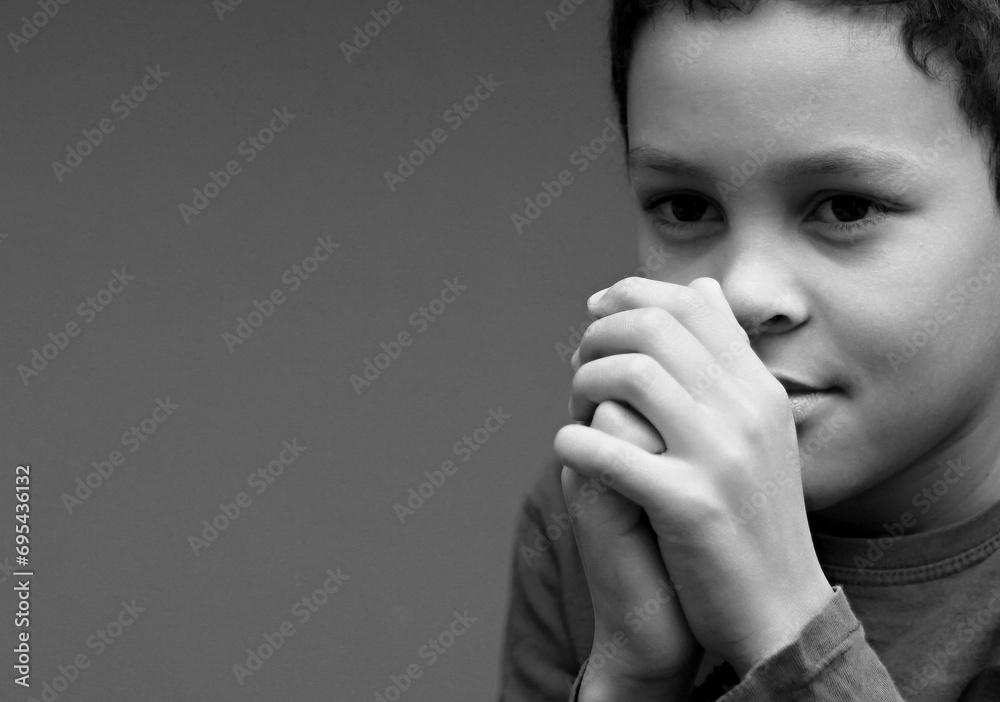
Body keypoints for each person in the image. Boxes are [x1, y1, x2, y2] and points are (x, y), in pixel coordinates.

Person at [497, 0, 1000, 699]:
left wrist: (785, 625)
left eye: (846, 207)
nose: (742, 291)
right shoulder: (601, 509)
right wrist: (631, 679)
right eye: (686, 206)